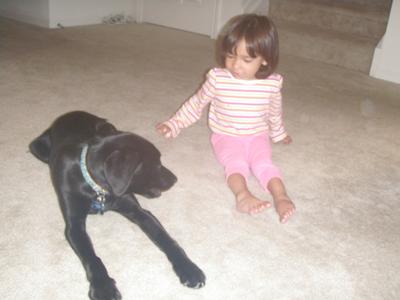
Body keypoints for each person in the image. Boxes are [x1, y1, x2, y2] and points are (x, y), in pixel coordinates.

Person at [156, 14, 295, 223]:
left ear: (265, 58)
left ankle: (281, 197)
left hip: (257, 135)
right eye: (231, 56)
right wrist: (174, 123)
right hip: (226, 136)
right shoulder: (218, 79)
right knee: (236, 163)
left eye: (246, 60)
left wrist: (278, 134)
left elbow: (274, 113)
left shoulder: (272, 84)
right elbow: (197, 103)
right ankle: (243, 196)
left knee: (264, 163)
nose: (236, 65)